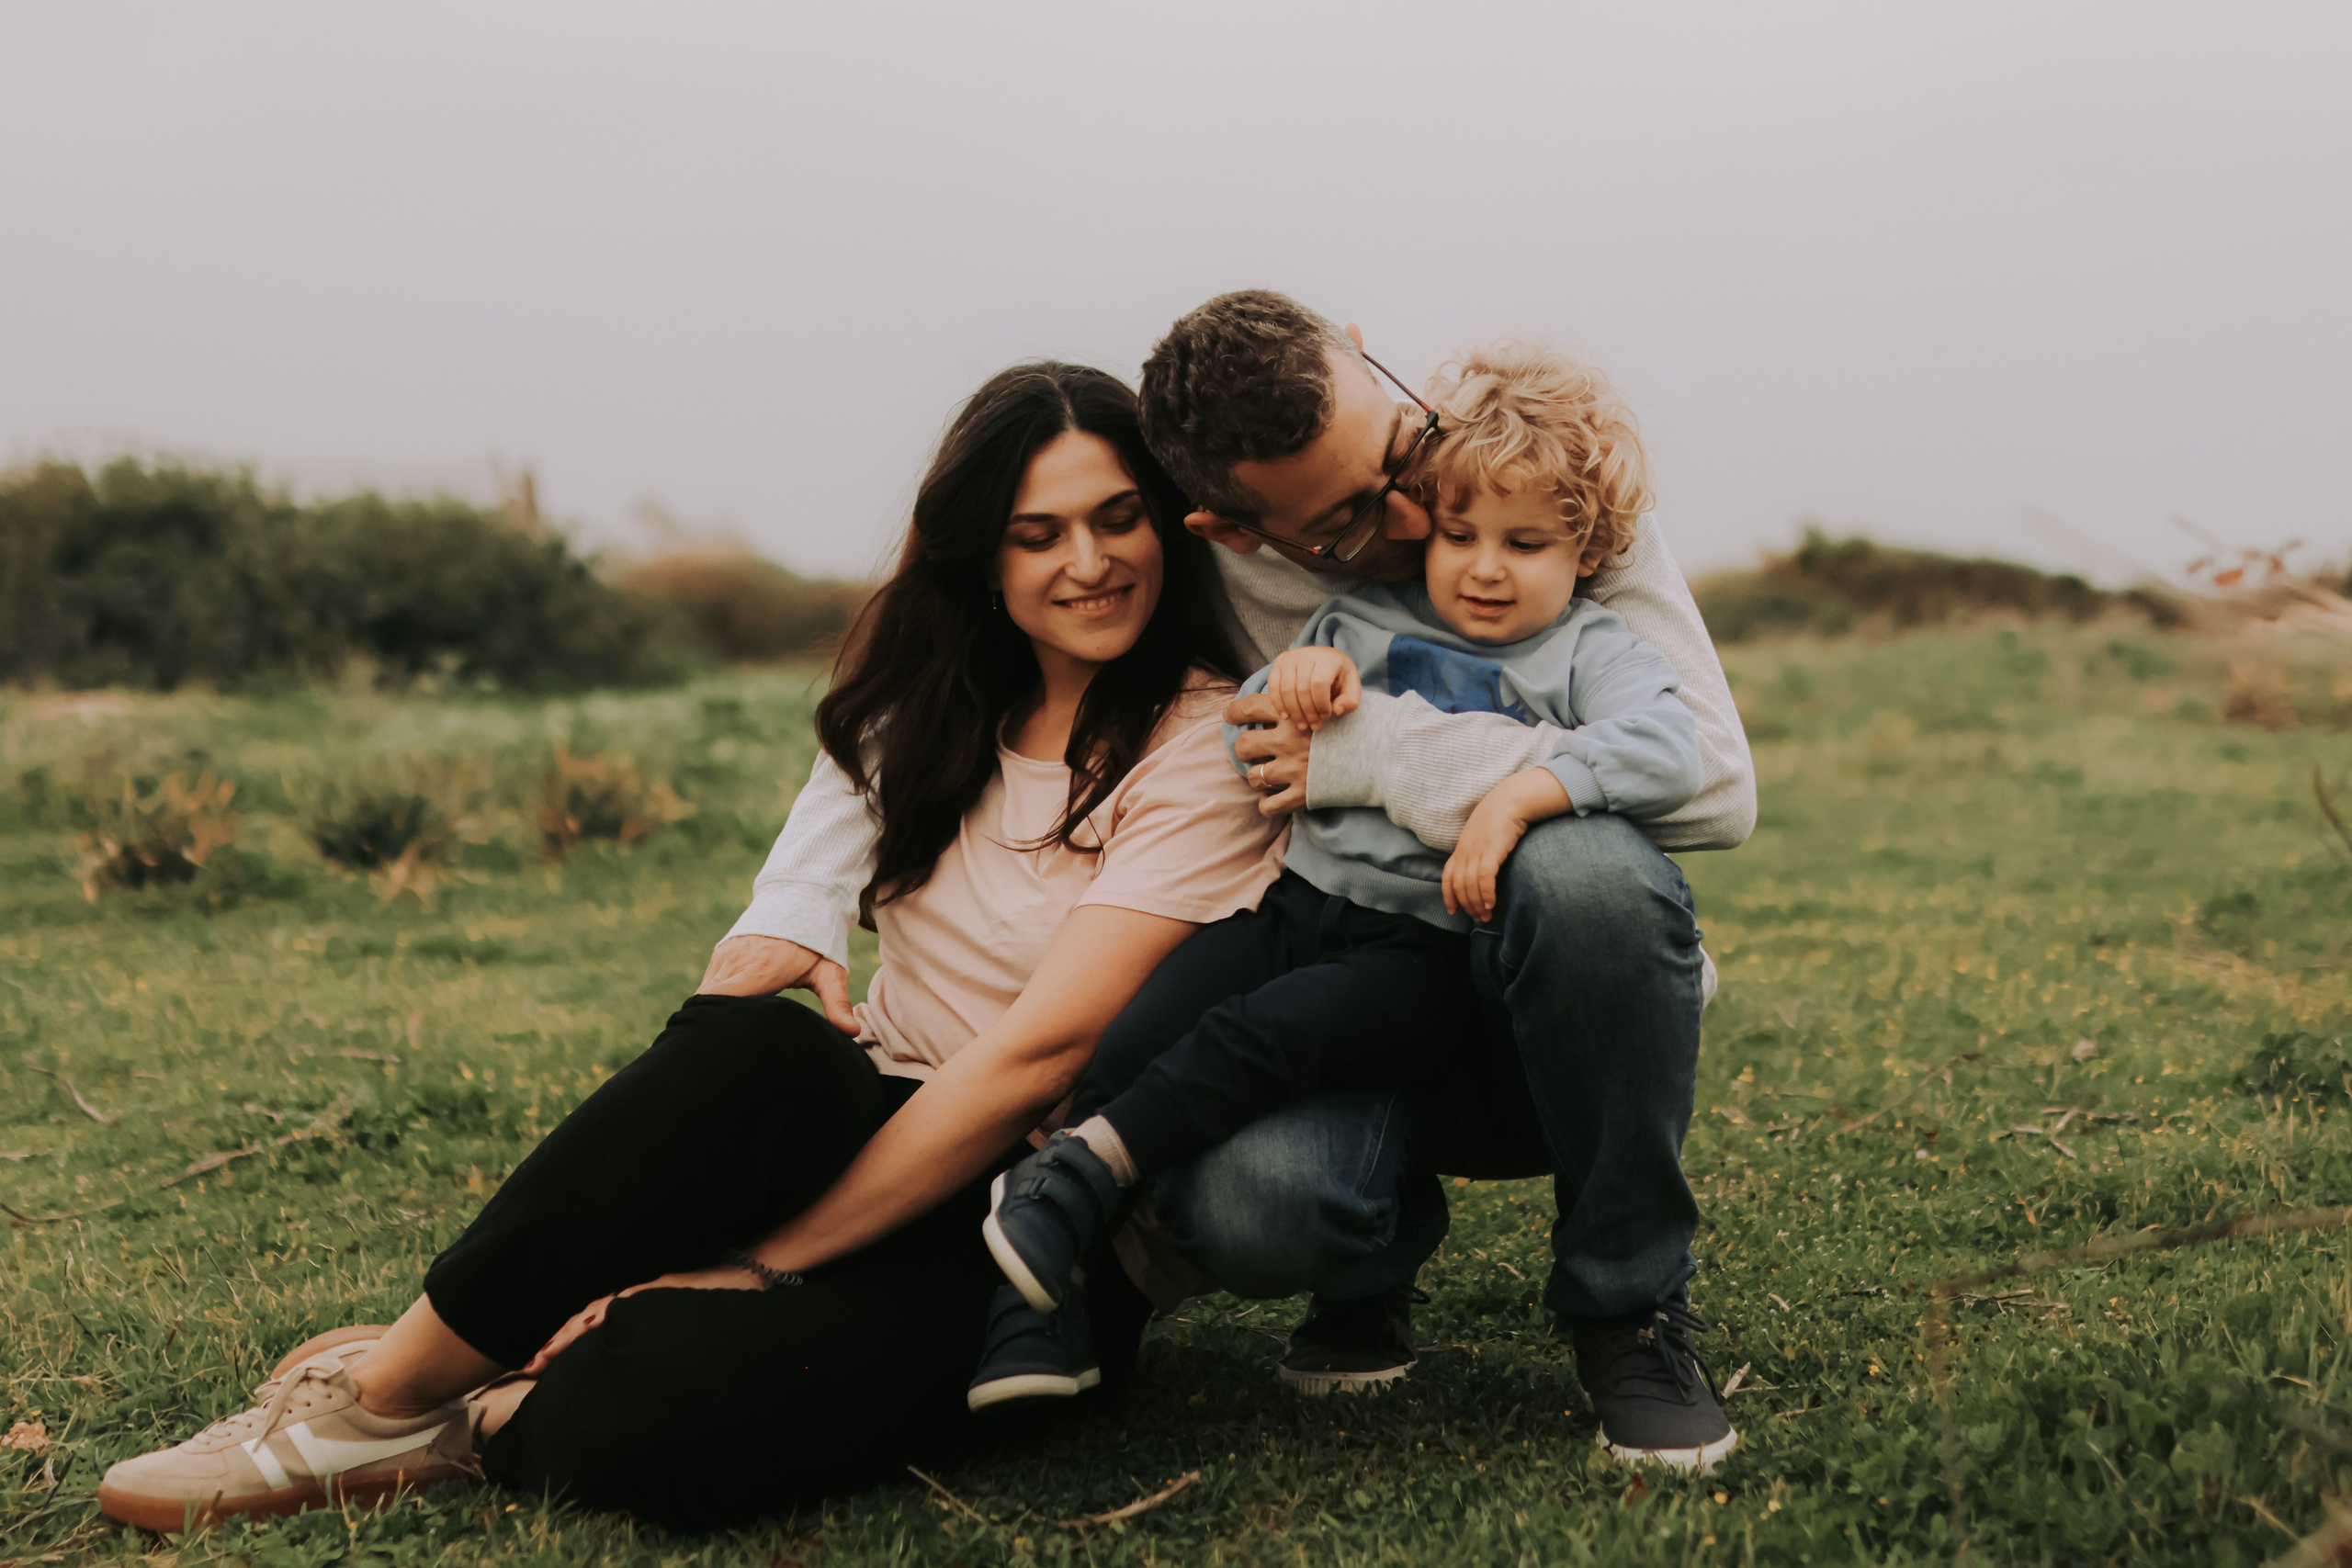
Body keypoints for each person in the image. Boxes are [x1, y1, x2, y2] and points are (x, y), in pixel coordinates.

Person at [96, 361, 1286, 1534]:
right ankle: (375, 1397)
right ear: (984, 555)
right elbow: (827, 828)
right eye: (1040, 533)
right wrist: (784, 919)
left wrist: (764, 1264)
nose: (1089, 561)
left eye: (1116, 517)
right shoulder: (939, 701)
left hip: (1047, 1207)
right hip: (880, 1111)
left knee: (663, 1400)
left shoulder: (1200, 741)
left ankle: (486, 1403)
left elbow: (1044, 1051)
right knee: (757, 1047)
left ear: (1166, 526)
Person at [718, 292, 1757, 1473]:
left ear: (1370, 362)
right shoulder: (1156, 537)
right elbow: (935, 657)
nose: (1423, 516)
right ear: (1220, 526)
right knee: (1251, 1187)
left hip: (1535, 980)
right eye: (1353, 518)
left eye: (1398, 455)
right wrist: (799, 894)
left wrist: (1380, 759)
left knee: (1585, 873)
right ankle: (1348, 1256)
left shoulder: (1516, 470)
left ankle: (1626, 1305)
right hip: (1330, 940)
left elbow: (1714, 783)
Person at [972, 343, 1709, 1444]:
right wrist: (1295, 683)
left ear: (1588, 549)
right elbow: (1259, 731)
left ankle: (1626, 1309)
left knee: (1259, 1040)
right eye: (1460, 534)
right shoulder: (1362, 618)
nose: (1484, 568)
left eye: (1527, 544)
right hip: (1294, 915)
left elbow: (1674, 753)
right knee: (1140, 1035)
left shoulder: (1590, 650)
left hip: (1415, 947)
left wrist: (1514, 799)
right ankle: (1044, 1279)